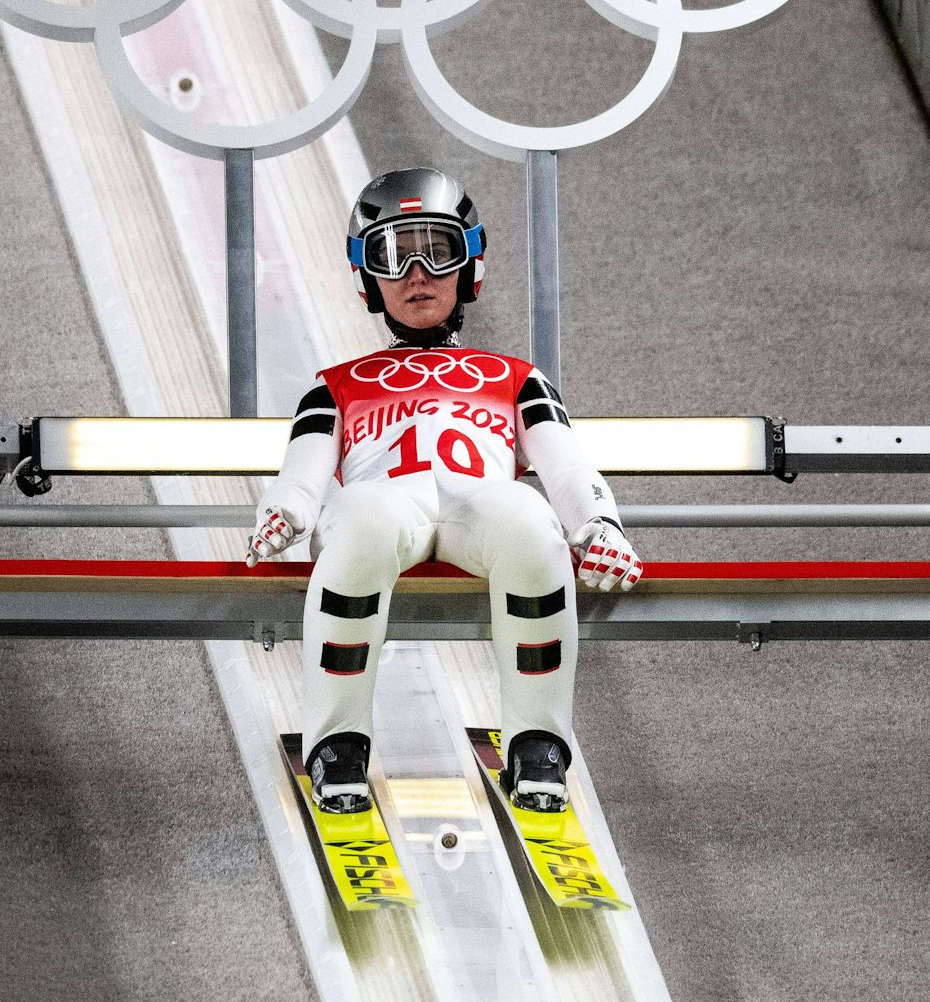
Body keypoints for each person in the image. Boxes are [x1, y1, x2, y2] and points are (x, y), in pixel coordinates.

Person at [244, 167, 642, 816]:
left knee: (529, 522)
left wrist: (597, 524)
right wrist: (285, 510)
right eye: (393, 256)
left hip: (482, 503)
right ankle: (337, 743)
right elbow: (304, 466)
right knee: (362, 524)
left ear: (470, 262)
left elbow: (563, 461)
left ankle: (538, 740)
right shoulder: (337, 383)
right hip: (384, 501)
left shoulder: (515, 376)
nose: (419, 273)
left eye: (437, 248)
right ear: (366, 276)